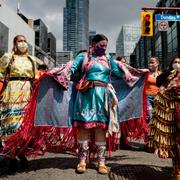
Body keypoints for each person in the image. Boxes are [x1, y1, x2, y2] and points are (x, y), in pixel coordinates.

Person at [3, 34, 149, 175]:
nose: (103, 48)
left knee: (101, 129)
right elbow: (70, 69)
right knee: (83, 127)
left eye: (105, 46)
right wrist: (53, 74)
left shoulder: (108, 59)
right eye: (101, 45)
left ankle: (101, 162)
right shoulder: (83, 57)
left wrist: (137, 73)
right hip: (85, 96)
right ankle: (82, 161)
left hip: (103, 97)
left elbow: (119, 73)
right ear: (93, 44)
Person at [0, 35, 37, 173]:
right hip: (12, 90)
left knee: (23, 127)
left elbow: (36, 77)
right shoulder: (8, 57)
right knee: (12, 125)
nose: (23, 43)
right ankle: (12, 158)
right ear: (15, 43)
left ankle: (19, 153)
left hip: (27, 92)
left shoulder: (31, 59)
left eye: (24, 41)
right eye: (20, 41)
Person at [148, 57, 180, 179]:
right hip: (171, 113)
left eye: (179, 63)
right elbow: (159, 84)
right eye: (175, 62)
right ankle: (176, 171)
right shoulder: (167, 77)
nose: (177, 64)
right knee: (175, 142)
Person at [146, 57, 161, 123]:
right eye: (149, 63)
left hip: (159, 97)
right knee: (150, 115)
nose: (150, 64)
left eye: (152, 62)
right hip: (148, 97)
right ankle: (151, 130)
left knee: (159, 115)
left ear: (157, 64)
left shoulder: (161, 74)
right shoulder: (146, 73)